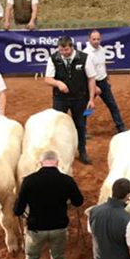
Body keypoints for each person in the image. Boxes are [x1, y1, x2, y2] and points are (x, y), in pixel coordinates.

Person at [14, 150, 84, 259]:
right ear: (57, 162)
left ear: (40, 162)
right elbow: (78, 201)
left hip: (35, 229)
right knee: (58, 257)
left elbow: (18, 210)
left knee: (32, 258)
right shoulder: (67, 180)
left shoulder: (29, 181)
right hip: (59, 228)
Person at [45, 36, 97, 165]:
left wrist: (91, 99)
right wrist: (58, 83)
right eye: (61, 50)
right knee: (57, 127)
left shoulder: (85, 58)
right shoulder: (53, 58)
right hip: (60, 99)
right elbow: (47, 79)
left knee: (81, 126)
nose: (64, 53)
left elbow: (91, 79)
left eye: (66, 50)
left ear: (71, 47)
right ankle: (58, 153)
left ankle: (82, 151)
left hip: (80, 99)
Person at [83, 30, 127, 133]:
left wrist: (106, 78)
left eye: (98, 39)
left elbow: (102, 66)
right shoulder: (86, 54)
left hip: (103, 82)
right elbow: (84, 73)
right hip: (91, 84)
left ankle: (121, 128)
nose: (96, 41)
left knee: (112, 105)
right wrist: (94, 87)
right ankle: (82, 131)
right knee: (87, 107)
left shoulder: (102, 50)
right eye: (94, 39)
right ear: (89, 39)